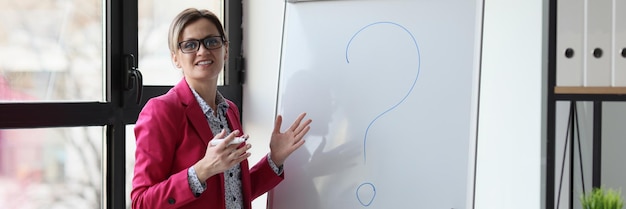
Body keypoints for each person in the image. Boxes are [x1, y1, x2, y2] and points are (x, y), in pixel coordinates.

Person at [131, 8, 312, 209]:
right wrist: (202, 170)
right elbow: (141, 202)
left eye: (212, 42)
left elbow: (235, 194)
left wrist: (275, 158)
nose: (202, 51)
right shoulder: (162, 111)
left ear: (225, 50)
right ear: (176, 58)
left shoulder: (229, 111)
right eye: (190, 45)